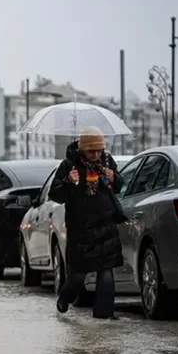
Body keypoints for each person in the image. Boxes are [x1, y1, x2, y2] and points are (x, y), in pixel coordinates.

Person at [49, 127, 123, 320]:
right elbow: (55, 195)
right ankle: (65, 298)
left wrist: (114, 178)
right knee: (79, 274)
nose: (96, 154)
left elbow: (119, 186)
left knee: (106, 272)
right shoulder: (69, 166)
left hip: (106, 226)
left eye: (99, 150)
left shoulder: (107, 161)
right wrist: (68, 182)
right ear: (82, 149)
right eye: (91, 151)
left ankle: (103, 317)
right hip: (80, 227)